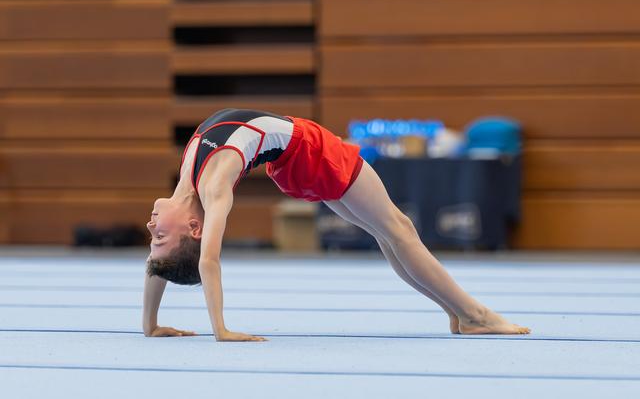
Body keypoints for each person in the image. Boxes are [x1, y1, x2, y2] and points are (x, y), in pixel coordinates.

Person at [143, 108, 531, 341]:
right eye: (159, 236)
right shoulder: (214, 189)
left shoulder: (182, 188)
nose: (150, 227)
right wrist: (221, 329)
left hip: (294, 163)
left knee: (387, 233)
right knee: (398, 229)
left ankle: (455, 311)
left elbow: (157, 264)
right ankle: (474, 315)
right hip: (312, 153)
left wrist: (151, 325)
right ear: (195, 228)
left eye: (152, 239)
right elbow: (208, 261)